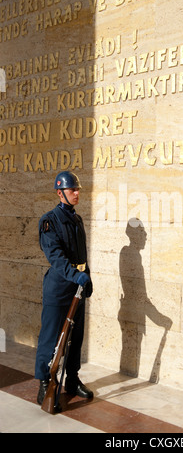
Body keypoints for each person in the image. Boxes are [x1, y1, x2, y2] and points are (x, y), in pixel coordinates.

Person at [35, 171, 93, 408]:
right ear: (60, 193)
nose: (77, 193)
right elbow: (57, 259)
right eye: (72, 190)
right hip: (59, 288)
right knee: (51, 339)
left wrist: (87, 276)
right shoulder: (50, 221)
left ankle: (72, 379)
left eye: (78, 190)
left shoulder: (77, 220)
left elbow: (81, 256)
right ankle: (43, 382)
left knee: (76, 337)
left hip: (77, 287)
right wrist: (77, 276)